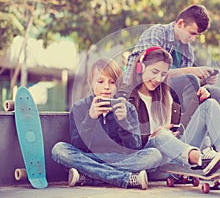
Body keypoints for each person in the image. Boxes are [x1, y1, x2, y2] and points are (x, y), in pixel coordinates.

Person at [117, 4, 220, 164]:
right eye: (191, 33)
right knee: (190, 79)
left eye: (196, 35)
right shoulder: (157, 34)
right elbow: (149, 72)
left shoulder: (187, 50)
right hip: (145, 100)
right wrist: (191, 72)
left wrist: (203, 84)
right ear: (179, 24)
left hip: (171, 104)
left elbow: (181, 84)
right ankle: (202, 155)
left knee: (218, 95)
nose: (193, 38)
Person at [126, 47, 220, 180]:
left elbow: (181, 128)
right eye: (154, 72)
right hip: (155, 162)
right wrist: (155, 134)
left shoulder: (165, 95)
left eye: (163, 74)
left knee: (210, 105)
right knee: (161, 135)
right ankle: (202, 160)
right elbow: (130, 144)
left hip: (179, 156)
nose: (158, 79)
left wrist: (197, 101)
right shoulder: (129, 99)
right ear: (140, 68)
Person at [51, 58, 163, 190]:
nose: (106, 87)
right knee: (59, 150)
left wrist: (123, 122)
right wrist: (91, 118)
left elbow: (135, 147)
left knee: (154, 155)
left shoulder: (127, 108)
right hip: (90, 157)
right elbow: (78, 146)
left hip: (120, 159)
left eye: (112, 82)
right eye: (100, 81)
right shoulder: (79, 108)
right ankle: (125, 178)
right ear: (91, 83)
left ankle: (89, 177)